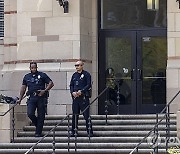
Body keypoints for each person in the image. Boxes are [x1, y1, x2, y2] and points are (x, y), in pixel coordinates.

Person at [18, 62, 54, 137]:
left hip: (41, 97)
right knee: (30, 113)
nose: (33, 69)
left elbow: (51, 83)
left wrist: (45, 90)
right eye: (32, 68)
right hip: (31, 97)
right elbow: (23, 88)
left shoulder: (42, 75)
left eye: (35, 67)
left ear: (37, 67)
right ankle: (38, 125)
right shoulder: (27, 77)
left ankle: (38, 132)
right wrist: (20, 98)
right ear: (30, 68)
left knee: (41, 115)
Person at [70, 60, 93, 137]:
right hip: (76, 98)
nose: (77, 67)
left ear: (82, 66)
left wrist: (82, 91)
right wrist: (72, 92)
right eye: (76, 65)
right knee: (75, 115)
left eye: (78, 65)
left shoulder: (86, 74)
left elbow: (88, 84)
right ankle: (73, 131)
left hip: (83, 98)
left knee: (86, 115)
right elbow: (71, 85)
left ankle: (90, 131)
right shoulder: (74, 75)